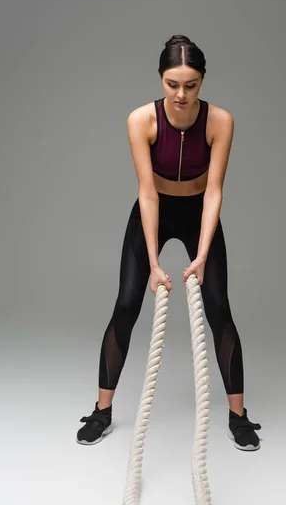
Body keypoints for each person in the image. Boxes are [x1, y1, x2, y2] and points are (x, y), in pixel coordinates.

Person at [76, 34, 261, 451]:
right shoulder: (141, 120)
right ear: (161, 79)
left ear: (202, 81)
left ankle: (239, 417)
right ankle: (102, 412)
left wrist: (202, 253)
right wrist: (155, 266)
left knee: (219, 308)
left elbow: (214, 192)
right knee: (126, 304)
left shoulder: (220, 122)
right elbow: (147, 193)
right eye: (172, 84)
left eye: (191, 85)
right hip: (153, 210)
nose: (181, 94)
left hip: (199, 212)